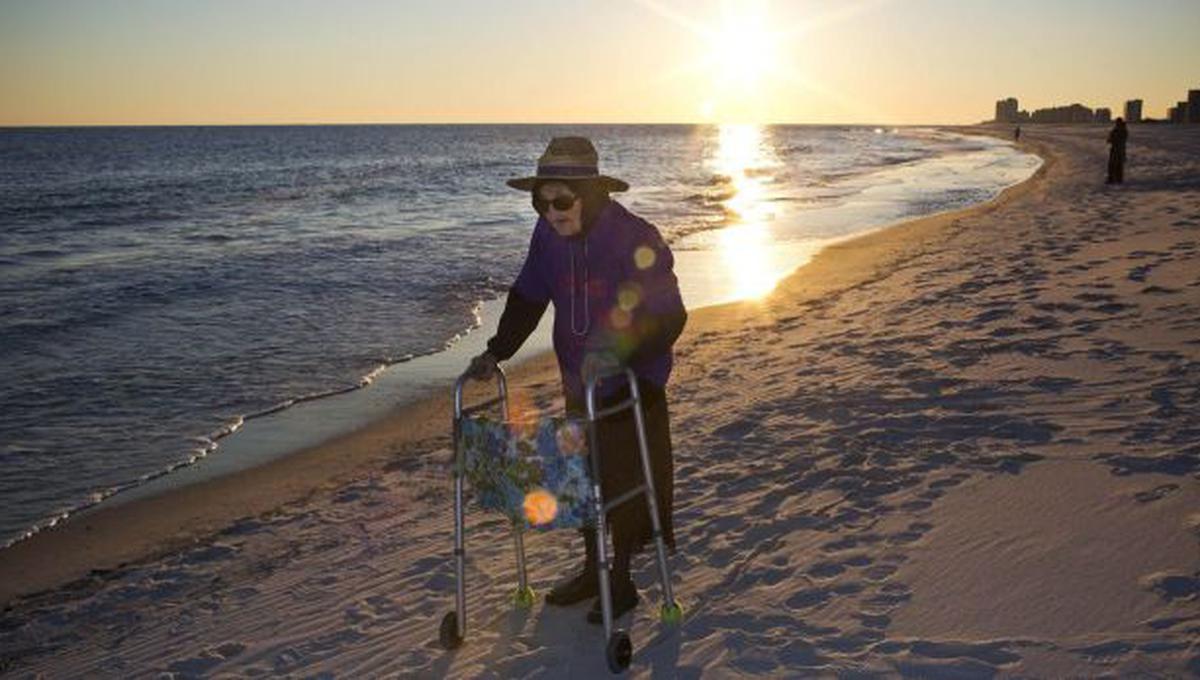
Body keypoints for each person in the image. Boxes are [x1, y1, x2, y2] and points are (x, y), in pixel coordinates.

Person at [466, 136, 687, 623]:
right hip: (577, 381)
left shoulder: (635, 237)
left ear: (591, 194)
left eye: (561, 201)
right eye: (540, 202)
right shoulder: (546, 237)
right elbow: (527, 298)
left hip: (634, 383)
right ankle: (593, 569)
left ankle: (622, 578)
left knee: (625, 481)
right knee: (584, 479)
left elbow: (671, 316)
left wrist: (620, 355)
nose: (550, 212)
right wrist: (495, 351)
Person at [1107, 117, 1128, 184]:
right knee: (1116, 165)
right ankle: (1116, 179)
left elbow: (1114, 139)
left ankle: (1114, 179)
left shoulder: (1120, 130)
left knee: (1115, 165)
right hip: (1118, 149)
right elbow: (1110, 138)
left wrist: (1112, 139)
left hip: (1118, 149)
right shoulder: (1120, 130)